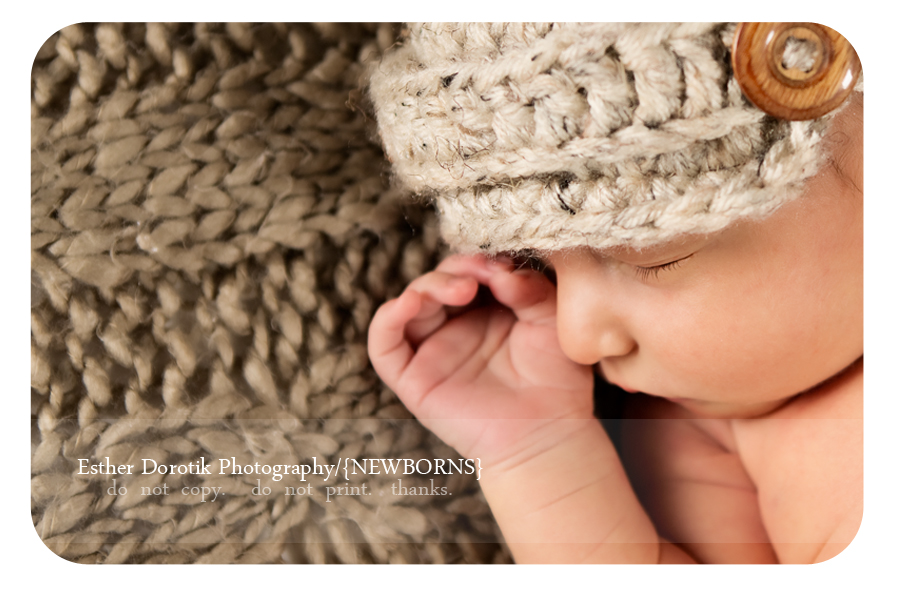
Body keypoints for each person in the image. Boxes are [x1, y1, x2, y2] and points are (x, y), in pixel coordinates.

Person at [366, 23, 863, 563]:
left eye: (652, 256)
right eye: (541, 267)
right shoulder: (714, 432)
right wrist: (536, 448)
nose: (576, 340)